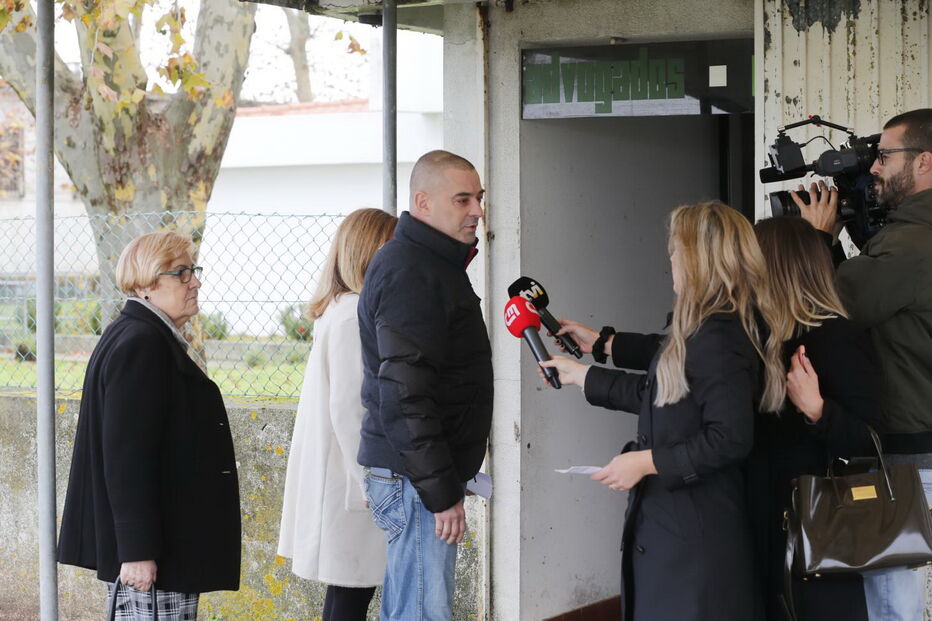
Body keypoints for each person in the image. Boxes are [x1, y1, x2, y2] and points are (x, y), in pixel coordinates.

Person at [541, 201, 784, 621]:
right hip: (682, 540)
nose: (669, 260)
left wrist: (646, 461)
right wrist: (589, 367)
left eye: (674, 250)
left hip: (697, 552)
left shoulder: (719, 338)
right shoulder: (710, 328)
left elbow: (730, 437)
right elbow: (662, 390)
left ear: (697, 258)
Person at [57, 231, 240, 620]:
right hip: (156, 553)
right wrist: (137, 551)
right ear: (145, 284)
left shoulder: (140, 334)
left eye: (193, 270)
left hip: (161, 544)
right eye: (181, 273)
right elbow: (126, 457)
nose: (195, 281)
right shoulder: (143, 342)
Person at [795, 108, 932, 621]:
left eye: (884, 156)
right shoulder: (905, 238)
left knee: (889, 596)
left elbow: (829, 306)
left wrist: (816, 240)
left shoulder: (911, 246)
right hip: (915, 441)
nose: (874, 168)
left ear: (924, 162)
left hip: (904, 447)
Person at [357, 150, 492, 620]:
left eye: (478, 198)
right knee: (423, 613)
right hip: (414, 480)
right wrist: (440, 492)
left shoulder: (429, 265)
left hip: (416, 475)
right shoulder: (412, 272)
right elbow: (405, 394)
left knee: (411, 608)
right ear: (424, 202)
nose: (477, 210)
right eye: (463, 199)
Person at [748, 216, 882, 621]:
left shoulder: (837, 336)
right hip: (760, 512)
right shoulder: (757, 333)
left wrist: (818, 411)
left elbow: (869, 440)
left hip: (815, 529)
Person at [278, 208, 397, 621]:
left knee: (348, 590)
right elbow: (350, 407)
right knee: (351, 590)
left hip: (346, 475)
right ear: (370, 252)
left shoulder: (342, 308)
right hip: (354, 477)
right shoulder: (352, 314)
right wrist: (372, 481)